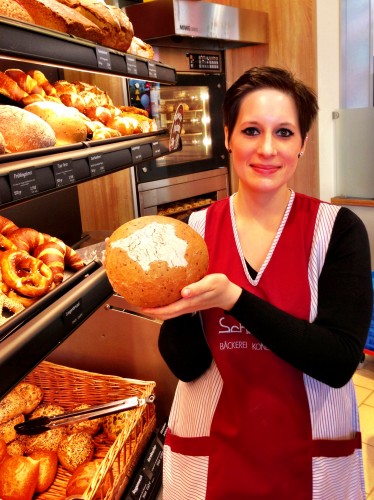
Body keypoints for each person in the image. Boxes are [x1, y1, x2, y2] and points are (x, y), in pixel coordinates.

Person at [141, 66, 373, 499]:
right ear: (227, 135)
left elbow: (339, 362)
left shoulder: (337, 230)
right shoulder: (193, 231)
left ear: (303, 143)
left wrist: (234, 299)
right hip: (213, 452)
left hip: (308, 453)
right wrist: (175, 311)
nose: (267, 149)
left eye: (284, 133)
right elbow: (187, 366)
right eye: (251, 130)